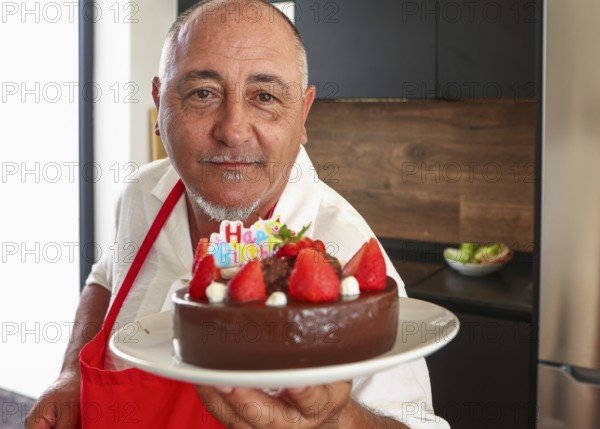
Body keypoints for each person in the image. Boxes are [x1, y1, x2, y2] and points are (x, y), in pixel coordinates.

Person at [26, 1, 450, 428]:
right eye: (203, 93)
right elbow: (104, 279)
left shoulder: (345, 255)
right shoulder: (143, 193)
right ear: (160, 103)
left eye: (264, 96)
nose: (232, 130)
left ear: (302, 114)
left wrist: (337, 420)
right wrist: (69, 376)